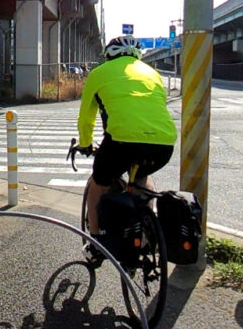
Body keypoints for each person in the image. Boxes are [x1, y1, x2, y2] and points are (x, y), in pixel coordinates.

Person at [75, 35, 177, 264]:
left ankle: (95, 244)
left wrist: (85, 144)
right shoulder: (153, 74)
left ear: (109, 55)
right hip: (164, 144)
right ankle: (146, 230)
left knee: (97, 184)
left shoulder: (100, 73)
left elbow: (86, 118)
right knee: (142, 176)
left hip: (121, 142)